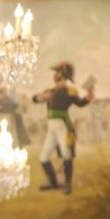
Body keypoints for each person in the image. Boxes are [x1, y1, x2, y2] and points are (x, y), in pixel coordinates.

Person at [32, 61, 93, 195]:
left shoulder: (70, 91)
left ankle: (67, 184)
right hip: (52, 126)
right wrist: (41, 97)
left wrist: (89, 94)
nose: (55, 74)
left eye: (57, 72)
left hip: (63, 125)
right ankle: (53, 182)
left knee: (67, 155)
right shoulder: (50, 91)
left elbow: (81, 103)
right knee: (43, 157)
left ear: (63, 74)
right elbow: (34, 99)